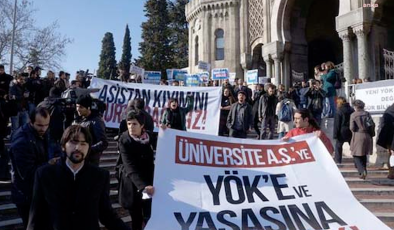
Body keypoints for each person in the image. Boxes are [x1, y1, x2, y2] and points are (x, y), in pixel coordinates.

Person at [27, 125, 130, 230]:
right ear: (63, 146)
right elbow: (36, 215)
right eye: (73, 142)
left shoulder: (100, 176)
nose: (78, 148)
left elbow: (106, 213)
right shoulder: (45, 174)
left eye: (83, 144)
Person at [9, 107, 60, 228]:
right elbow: (27, 174)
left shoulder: (43, 133)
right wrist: (50, 163)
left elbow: (53, 147)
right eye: (40, 125)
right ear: (30, 122)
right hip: (27, 196)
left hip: (41, 191)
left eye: (46, 125)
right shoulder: (22, 141)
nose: (44, 128)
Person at [118, 111, 155, 230]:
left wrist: (166, 131)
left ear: (142, 126)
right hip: (132, 183)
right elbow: (129, 166)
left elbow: (165, 142)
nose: (131, 127)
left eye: (134, 124)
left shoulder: (149, 137)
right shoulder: (124, 140)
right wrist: (143, 186)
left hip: (149, 180)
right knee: (136, 218)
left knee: (150, 216)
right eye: (129, 124)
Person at [73, 95, 108, 166]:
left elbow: (103, 143)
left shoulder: (96, 121)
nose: (78, 109)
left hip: (90, 161)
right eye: (77, 106)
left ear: (88, 108)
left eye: (81, 107)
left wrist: (87, 149)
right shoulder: (78, 120)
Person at [350, 100, 374, 179]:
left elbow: (352, 128)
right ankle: (364, 171)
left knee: (356, 154)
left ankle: (362, 170)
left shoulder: (353, 115)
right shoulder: (367, 114)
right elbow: (371, 125)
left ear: (355, 106)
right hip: (367, 135)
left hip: (358, 135)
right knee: (363, 154)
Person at [333, 97, 354, 164]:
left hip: (342, 132)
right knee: (353, 147)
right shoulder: (352, 109)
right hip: (351, 130)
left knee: (338, 147)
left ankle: (338, 161)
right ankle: (357, 161)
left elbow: (337, 124)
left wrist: (335, 134)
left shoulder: (339, 111)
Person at [377, 102, 394, 179]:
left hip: (390, 137)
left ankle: (391, 173)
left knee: (391, 155)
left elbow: (383, 124)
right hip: (390, 136)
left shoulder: (388, 110)